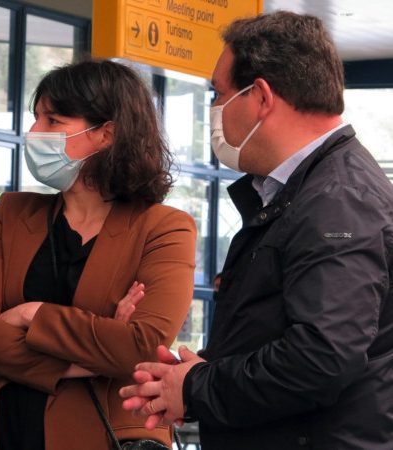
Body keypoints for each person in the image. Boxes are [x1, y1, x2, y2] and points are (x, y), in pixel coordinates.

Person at [119, 11, 393, 450]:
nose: (214, 108)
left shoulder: (337, 199)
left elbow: (320, 359)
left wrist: (197, 387)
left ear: (261, 96)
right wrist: (199, 373)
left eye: (219, 93)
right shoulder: (304, 191)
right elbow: (282, 330)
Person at [0, 59, 196, 450]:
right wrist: (92, 353)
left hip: (101, 438)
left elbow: (141, 347)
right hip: (3, 434)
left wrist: (31, 314)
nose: (34, 132)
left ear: (106, 134)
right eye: (36, 118)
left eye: (53, 120)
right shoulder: (12, 214)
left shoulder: (165, 228)